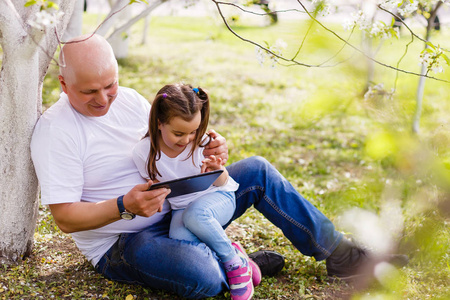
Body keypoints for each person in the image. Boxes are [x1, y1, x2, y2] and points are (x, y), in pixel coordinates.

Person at [30, 34, 407, 299]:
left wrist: (206, 144)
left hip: (181, 210)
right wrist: (123, 206)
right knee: (204, 282)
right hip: (124, 242)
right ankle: (233, 264)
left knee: (256, 170)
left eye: (109, 85)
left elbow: (170, 136)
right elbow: (65, 218)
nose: (103, 98)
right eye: (89, 91)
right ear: (64, 84)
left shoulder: (127, 99)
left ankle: (342, 255)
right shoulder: (56, 130)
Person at [132, 83, 260, 300]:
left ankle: (235, 264)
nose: (187, 139)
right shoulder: (144, 153)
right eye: (179, 133)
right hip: (182, 207)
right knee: (179, 238)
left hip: (218, 197)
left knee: (196, 215)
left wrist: (217, 170)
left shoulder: (203, 142)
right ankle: (235, 252)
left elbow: (222, 181)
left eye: (192, 132)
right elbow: (153, 186)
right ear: (159, 122)